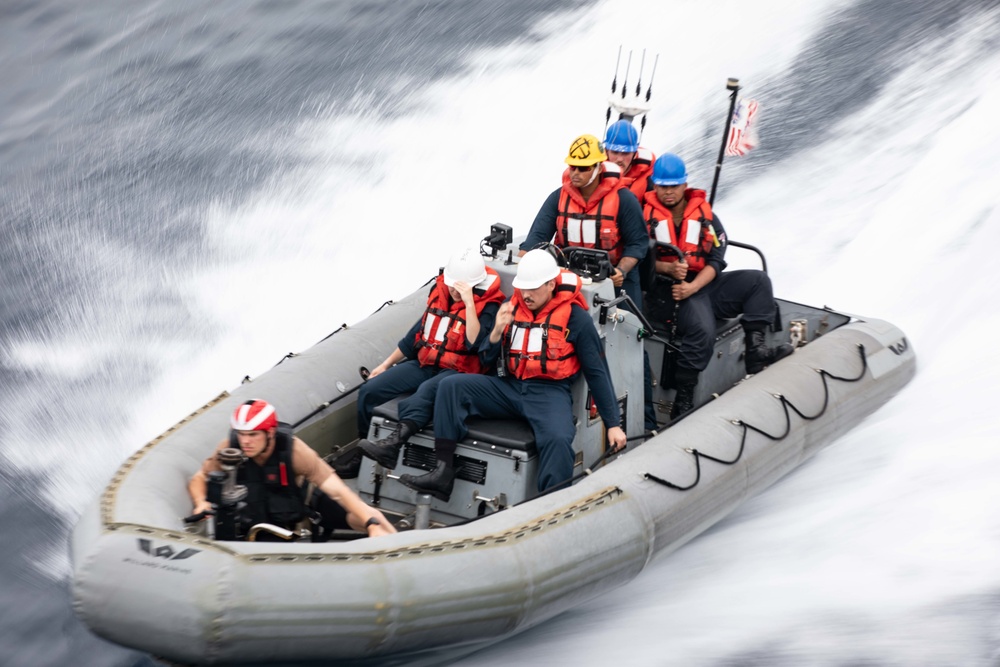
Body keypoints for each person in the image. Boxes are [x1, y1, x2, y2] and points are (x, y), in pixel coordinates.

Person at [397, 250, 628, 502]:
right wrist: (497, 330)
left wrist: (613, 424)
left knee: (559, 438)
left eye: (532, 289)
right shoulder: (510, 308)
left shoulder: (576, 319)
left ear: (551, 285)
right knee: (451, 386)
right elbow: (486, 359)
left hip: (548, 393)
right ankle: (442, 471)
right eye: (522, 288)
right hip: (509, 387)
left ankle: (550, 503)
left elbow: (597, 371)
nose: (525, 295)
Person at [642, 153, 794, 418]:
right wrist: (667, 268)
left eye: (674, 186)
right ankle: (684, 397)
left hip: (701, 285)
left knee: (758, 281)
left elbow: (716, 257)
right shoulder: (643, 218)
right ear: (654, 186)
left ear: (684, 185)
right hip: (667, 292)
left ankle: (756, 352)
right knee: (701, 329)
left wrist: (694, 286)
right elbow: (634, 257)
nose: (668, 192)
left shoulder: (705, 215)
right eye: (663, 186)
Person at [353, 248, 505, 471]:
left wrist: (469, 303)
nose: (454, 290)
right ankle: (361, 458)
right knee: (369, 391)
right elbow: (416, 335)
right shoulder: (440, 293)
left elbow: (475, 342)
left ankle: (392, 445)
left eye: (460, 286)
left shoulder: (490, 306)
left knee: (426, 391)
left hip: (457, 371)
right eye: (452, 283)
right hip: (426, 363)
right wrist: (385, 364)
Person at [188, 399, 396, 539]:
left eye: (253, 435)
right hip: (252, 521)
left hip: (294, 513)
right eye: (241, 434)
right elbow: (199, 478)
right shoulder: (229, 448)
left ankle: (395, 548)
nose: (245, 442)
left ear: (269, 433)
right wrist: (200, 503)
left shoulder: (294, 450)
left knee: (367, 515)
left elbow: (338, 491)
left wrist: (371, 523)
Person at [519, 133, 648, 309]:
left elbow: (637, 243)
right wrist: (524, 264)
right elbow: (537, 237)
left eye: (583, 168)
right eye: (573, 167)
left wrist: (621, 271)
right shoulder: (557, 198)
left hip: (614, 278)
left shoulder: (624, 199)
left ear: (598, 168)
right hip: (569, 273)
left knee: (629, 324)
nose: (576, 173)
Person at [604, 119, 656, 200]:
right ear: (606, 151)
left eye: (625, 153)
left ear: (635, 154)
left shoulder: (649, 175)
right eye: (615, 152)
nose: (620, 159)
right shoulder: (593, 171)